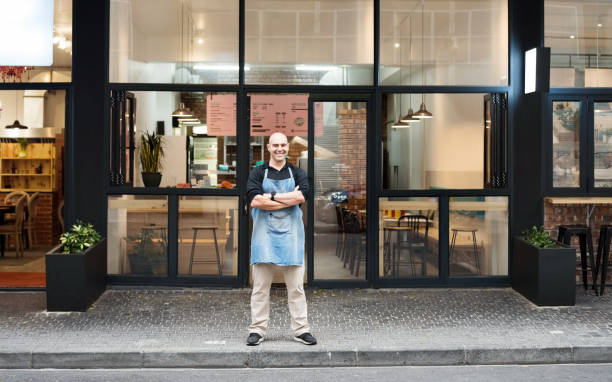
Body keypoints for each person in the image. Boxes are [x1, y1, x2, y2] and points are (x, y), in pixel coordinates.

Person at [245, 132, 317, 346]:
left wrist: (272, 197)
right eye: (275, 145)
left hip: (291, 237)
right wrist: (288, 200)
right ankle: (257, 330)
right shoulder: (257, 172)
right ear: (268, 147)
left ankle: (301, 330)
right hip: (263, 236)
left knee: (296, 288)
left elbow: (302, 196)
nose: (279, 149)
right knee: (260, 288)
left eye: (283, 145)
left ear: (288, 147)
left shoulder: (297, 172)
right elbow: (255, 201)